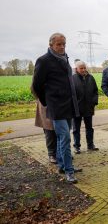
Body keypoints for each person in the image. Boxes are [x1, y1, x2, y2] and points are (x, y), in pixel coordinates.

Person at [32, 32, 82, 183]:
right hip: (56, 106)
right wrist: (47, 101)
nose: (62, 47)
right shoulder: (44, 60)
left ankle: (62, 165)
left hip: (70, 105)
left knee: (64, 137)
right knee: (65, 137)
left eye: (64, 44)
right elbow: (37, 85)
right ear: (51, 45)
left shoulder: (65, 58)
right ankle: (69, 171)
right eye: (59, 44)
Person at [72, 60, 99, 154]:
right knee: (76, 129)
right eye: (81, 68)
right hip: (76, 109)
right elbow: (70, 94)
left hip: (88, 107)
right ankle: (77, 147)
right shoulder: (72, 79)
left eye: (84, 68)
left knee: (89, 128)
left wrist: (94, 102)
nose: (83, 70)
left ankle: (90, 145)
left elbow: (95, 91)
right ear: (76, 69)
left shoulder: (91, 78)